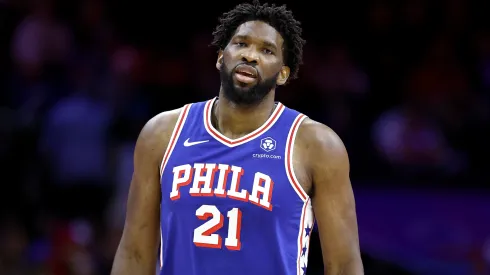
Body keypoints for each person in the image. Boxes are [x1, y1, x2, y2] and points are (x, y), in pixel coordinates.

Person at [110, 1, 364, 274]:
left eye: (266, 50)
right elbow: (134, 252)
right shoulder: (162, 134)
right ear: (221, 56)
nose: (251, 56)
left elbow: (344, 264)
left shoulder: (316, 145)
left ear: (283, 73)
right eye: (241, 44)